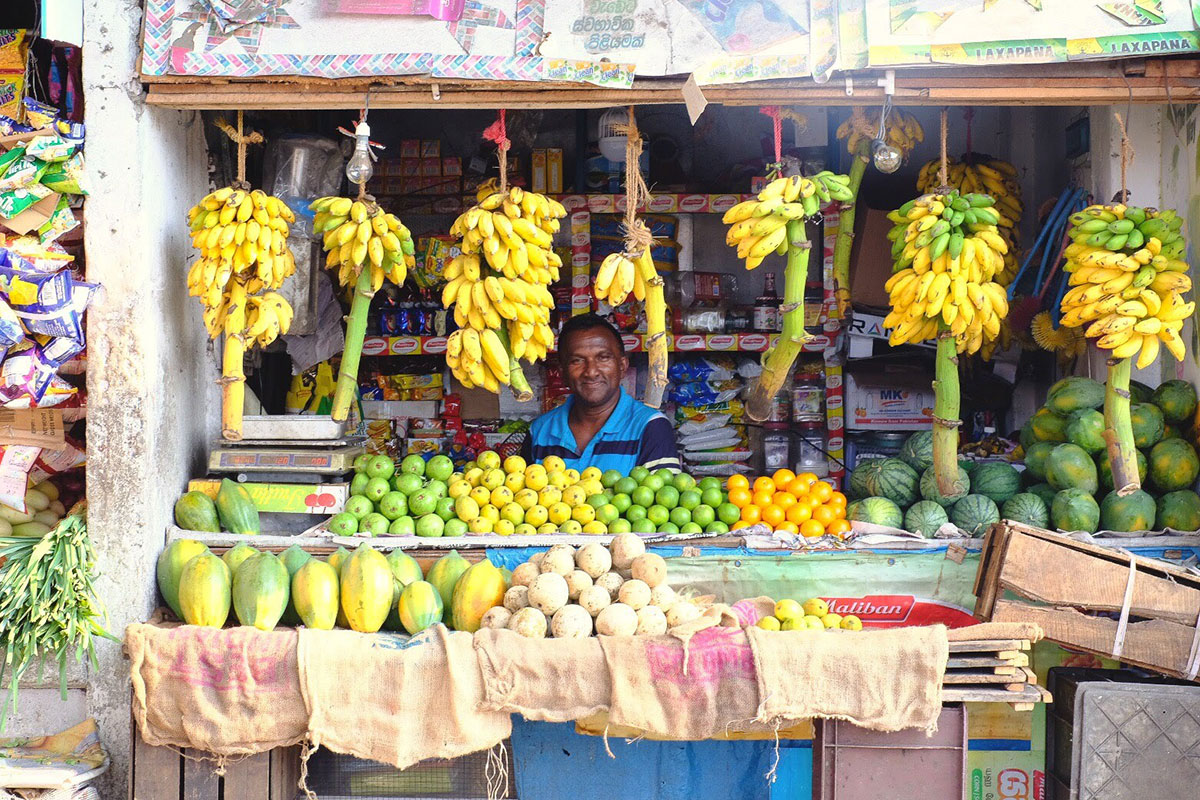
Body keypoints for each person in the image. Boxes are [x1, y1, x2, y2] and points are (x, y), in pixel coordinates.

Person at [521, 314, 681, 474]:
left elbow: (665, 496)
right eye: (577, 360)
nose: (591, 372)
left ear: (622, 366)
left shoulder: (650, 426)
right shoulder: (540, 431)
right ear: (562, 372)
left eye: (603, 358)